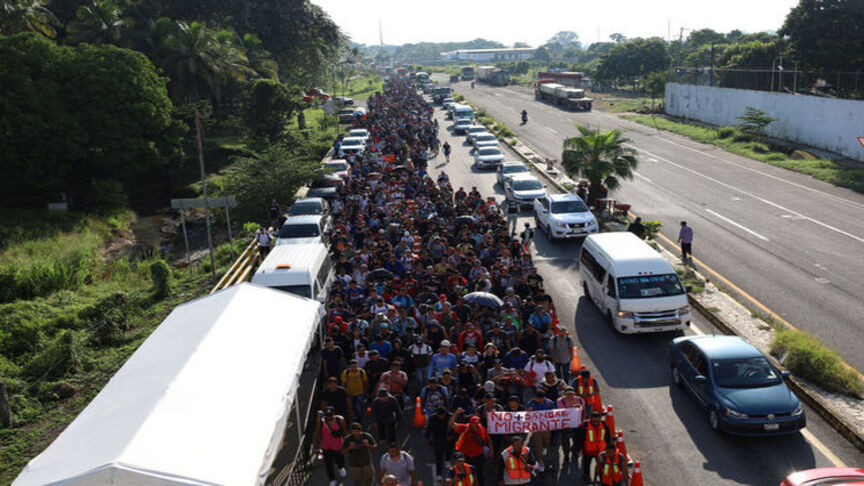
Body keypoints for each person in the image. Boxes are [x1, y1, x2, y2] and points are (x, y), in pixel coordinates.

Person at [449, 410, 492, 486]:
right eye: (473, 424)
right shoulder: (465, 428)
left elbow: (488, 440)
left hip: (479, 455)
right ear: (470, 423)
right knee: (466, 472)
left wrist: (492, 450)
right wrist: (456, 413)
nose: (475, 425)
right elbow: (452, 424)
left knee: (480, 473)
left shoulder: (482, 429)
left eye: (477, 424)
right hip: (467, 455)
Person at [315, 406, 348, 486]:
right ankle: (332, 479)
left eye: (330, 415)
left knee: (340, 459)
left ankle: (340, 467)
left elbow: (345, 432)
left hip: (338, 445)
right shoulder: (321, 422)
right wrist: (317, 447)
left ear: (334, 414)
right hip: (326, 446)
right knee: (328, 464)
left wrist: (346, 443)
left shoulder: (340, 420)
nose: (329, 417)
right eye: (327, 415)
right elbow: (318, 434)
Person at [576, 411, 612, 484]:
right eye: (593, 421)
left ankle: (602, 478)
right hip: (588, 450)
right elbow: (579, 439)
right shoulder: (584, 425)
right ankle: (586, 477)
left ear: (600, 419)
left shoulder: (604, 424)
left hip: (601, 450)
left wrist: (609, 448)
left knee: (602, 465)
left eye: (597, 421)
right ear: (590, 419)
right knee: (586, 465)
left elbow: (608, 437)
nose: (595, 422)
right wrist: (578, 449)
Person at [426, 406, 453, 480]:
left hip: (448, 439)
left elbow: (454, 427)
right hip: (437, 439)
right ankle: (439, 474)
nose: (441, 417)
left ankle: (447, 460)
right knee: (438, 457)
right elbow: (428, 429)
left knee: (449, 450)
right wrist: (427, 437)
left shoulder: (450, 417)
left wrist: (452, 435)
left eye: (442, 415)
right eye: (439, 415)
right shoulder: (432, 419)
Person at [341, 360, 368, 424]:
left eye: (355, 366)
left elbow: (365, 382)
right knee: (350, 407)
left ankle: (360, 421)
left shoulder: (361, 372)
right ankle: (350, 421)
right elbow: (343, 383)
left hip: (359, 392)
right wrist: (344, 392)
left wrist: (366, 392)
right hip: (349, 393)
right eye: (352, 366)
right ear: (350, 366)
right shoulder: (346, 372)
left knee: (359, 407)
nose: (354, 367)